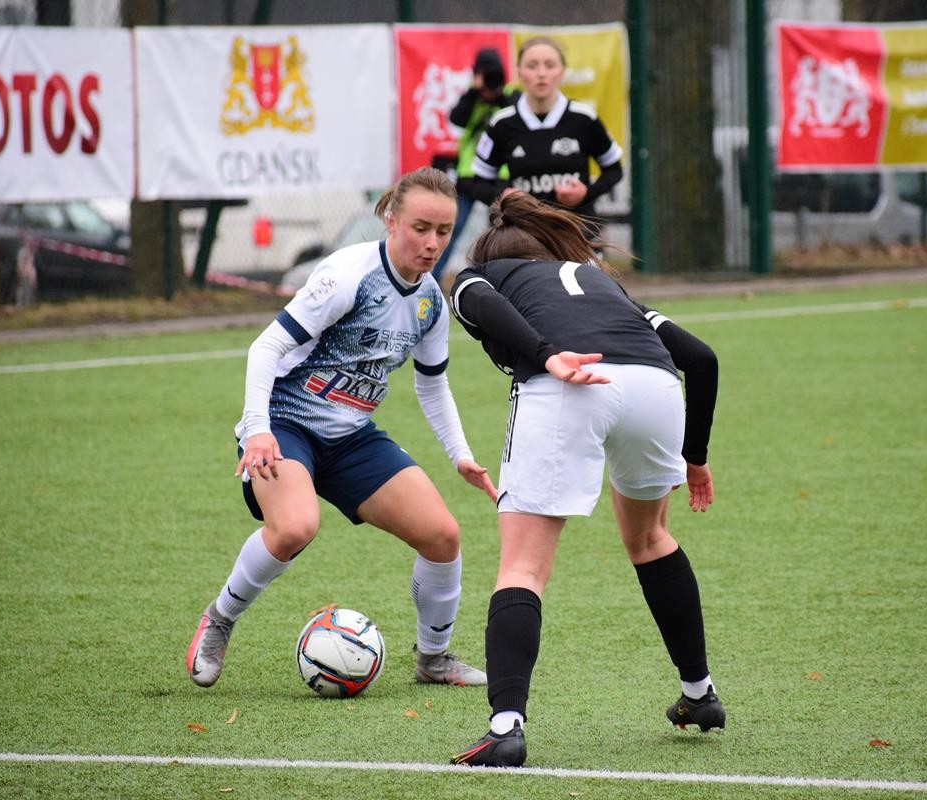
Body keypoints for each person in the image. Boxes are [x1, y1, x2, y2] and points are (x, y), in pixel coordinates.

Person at [187, 166, 497, 691]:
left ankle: (433, 659)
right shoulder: (348, 275)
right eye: (421, 228)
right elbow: (267, 347)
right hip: (285, 423)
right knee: (294, 527)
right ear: (391, 220)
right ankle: (220, 618)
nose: (432, 243)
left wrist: (460, 455)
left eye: (444, 231)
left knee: (442, 535)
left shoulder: (429, 302)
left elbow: (432, 386)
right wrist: (258, 429)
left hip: (351, 436)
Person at [447, 191, 724, 768]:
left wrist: (547, 354)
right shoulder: (601, 282)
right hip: (655, 387)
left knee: (522, 568)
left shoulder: (480, 275)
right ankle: (699, 693)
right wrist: (694, 456)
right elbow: (701, 359)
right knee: (651, 539)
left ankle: (505, 728)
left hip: (568, 383)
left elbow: (481, 302)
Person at [470, 37, 624, 230]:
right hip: (523, 236)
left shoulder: (584, 118)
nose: (541, 73)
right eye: (532, 66)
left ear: (562, 72)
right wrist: (504, 197)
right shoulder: (502, 123)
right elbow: (478, 184)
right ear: (519, 72)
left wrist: (586, 193)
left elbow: (614, 170)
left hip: (577, 234)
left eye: (550, 65)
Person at [432, 47, 518, 282]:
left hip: (501, 175)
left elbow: (517, 115)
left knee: (500, 229)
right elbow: (456, 119)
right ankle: (431, 278)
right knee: (452, 226)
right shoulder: (472, 97)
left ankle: (499, 280)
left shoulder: (511, 97)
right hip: (469, 175)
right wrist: (475, 91)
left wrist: (497, 92)